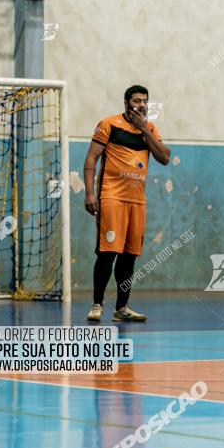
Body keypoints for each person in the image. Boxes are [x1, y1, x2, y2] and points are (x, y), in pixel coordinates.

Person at [83, 85, 170, 321]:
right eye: (137, 101)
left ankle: (121, 308)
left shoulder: (150, 128)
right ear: (126, 103)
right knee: (107, 252)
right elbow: (91, 158)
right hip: (111, 198)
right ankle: (97, 304)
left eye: (145, 101)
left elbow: (164, 157)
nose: (142, 105)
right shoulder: (109, 124)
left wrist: (145, 131)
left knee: (130, 255)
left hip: (137, 201)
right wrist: (90, 194)